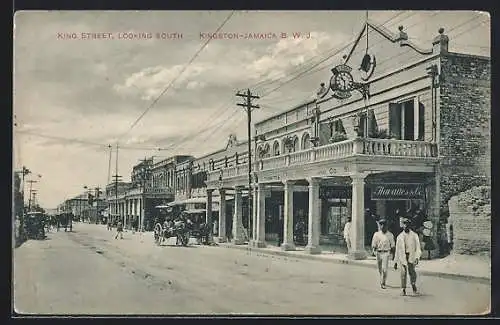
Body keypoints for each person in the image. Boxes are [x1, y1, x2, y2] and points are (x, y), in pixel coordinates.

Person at [394, 218, 422, 296]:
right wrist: (395, 261)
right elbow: (397, 250)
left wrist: (417, 257)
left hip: (411, 255)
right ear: (402, 225)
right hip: (403, 256)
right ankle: (403, 289)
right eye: (404, 224)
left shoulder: (414, 235)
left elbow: (418, 248)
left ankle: (413, 284)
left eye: (407, 224)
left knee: (412, 272)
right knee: (403, 273)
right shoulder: (399, 237)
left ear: (410, 225)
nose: (406, 226)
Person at [371, 219, 395, 289]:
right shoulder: (376, 234)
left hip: (386, 253)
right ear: (380, 226)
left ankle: (383, 282)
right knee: (379, 269)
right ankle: (382, 279)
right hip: (378, 253)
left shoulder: (390, 235)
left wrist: (393, 255)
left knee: (384, 269)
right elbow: (374, 244)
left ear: (387, 226)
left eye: (384, 225)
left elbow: (393, 245)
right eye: (381, 224)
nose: (383, 226)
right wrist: (374, 251)